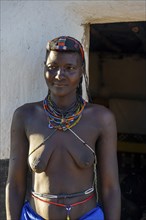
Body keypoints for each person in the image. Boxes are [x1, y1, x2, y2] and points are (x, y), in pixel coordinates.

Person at [5, 36, 121, 220]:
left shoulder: (101, 119)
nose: (59, 75)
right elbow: (15, 185)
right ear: (44, 67)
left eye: (70, 68)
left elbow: (110, 188)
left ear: (82, 70)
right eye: (52, 67)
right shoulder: (26, 116)